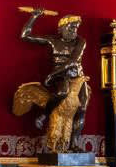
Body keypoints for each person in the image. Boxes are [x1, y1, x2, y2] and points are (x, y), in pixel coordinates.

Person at [20, 8, 89, 145]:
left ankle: (74, 143)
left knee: (83, 107)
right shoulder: (52, 40)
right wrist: (34, 17)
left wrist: (52, 75)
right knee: (62, 92)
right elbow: (25, 36)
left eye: (76, 28)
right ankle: (44, 115)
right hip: (61, 75)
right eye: (71, 27)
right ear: (61, 28)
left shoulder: (80, 41)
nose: (74, 31)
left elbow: (73, 61)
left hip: (76, 75)